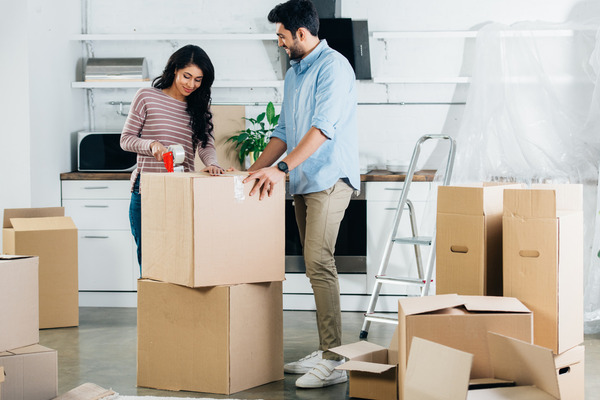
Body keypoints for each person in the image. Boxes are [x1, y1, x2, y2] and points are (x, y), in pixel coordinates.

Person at [243, 0, 360, 389]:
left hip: (329, 177)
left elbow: (323, 129)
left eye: (281, 36)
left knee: (319, 262)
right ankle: (326, 350)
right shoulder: (295, 73)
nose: (278, 43)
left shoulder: (334, 68)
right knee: (313, 268)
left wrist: (280, 170)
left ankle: (334, 359)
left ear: (301, 35)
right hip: (303, 179)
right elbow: (283, 130)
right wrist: (257, 169)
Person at [121, 44, 224, 274]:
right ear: (175, 69)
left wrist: (212, 164)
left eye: (198, 79)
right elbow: (126, 139)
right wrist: (152, 145)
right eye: (187, 76)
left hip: (181, 191)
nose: (191, 84)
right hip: (147, 190)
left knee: (180, 259)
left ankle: (176, 310)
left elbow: (206, 144)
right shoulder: (146, 96)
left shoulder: (198, 107)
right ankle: (154, 309)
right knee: (150, 261)